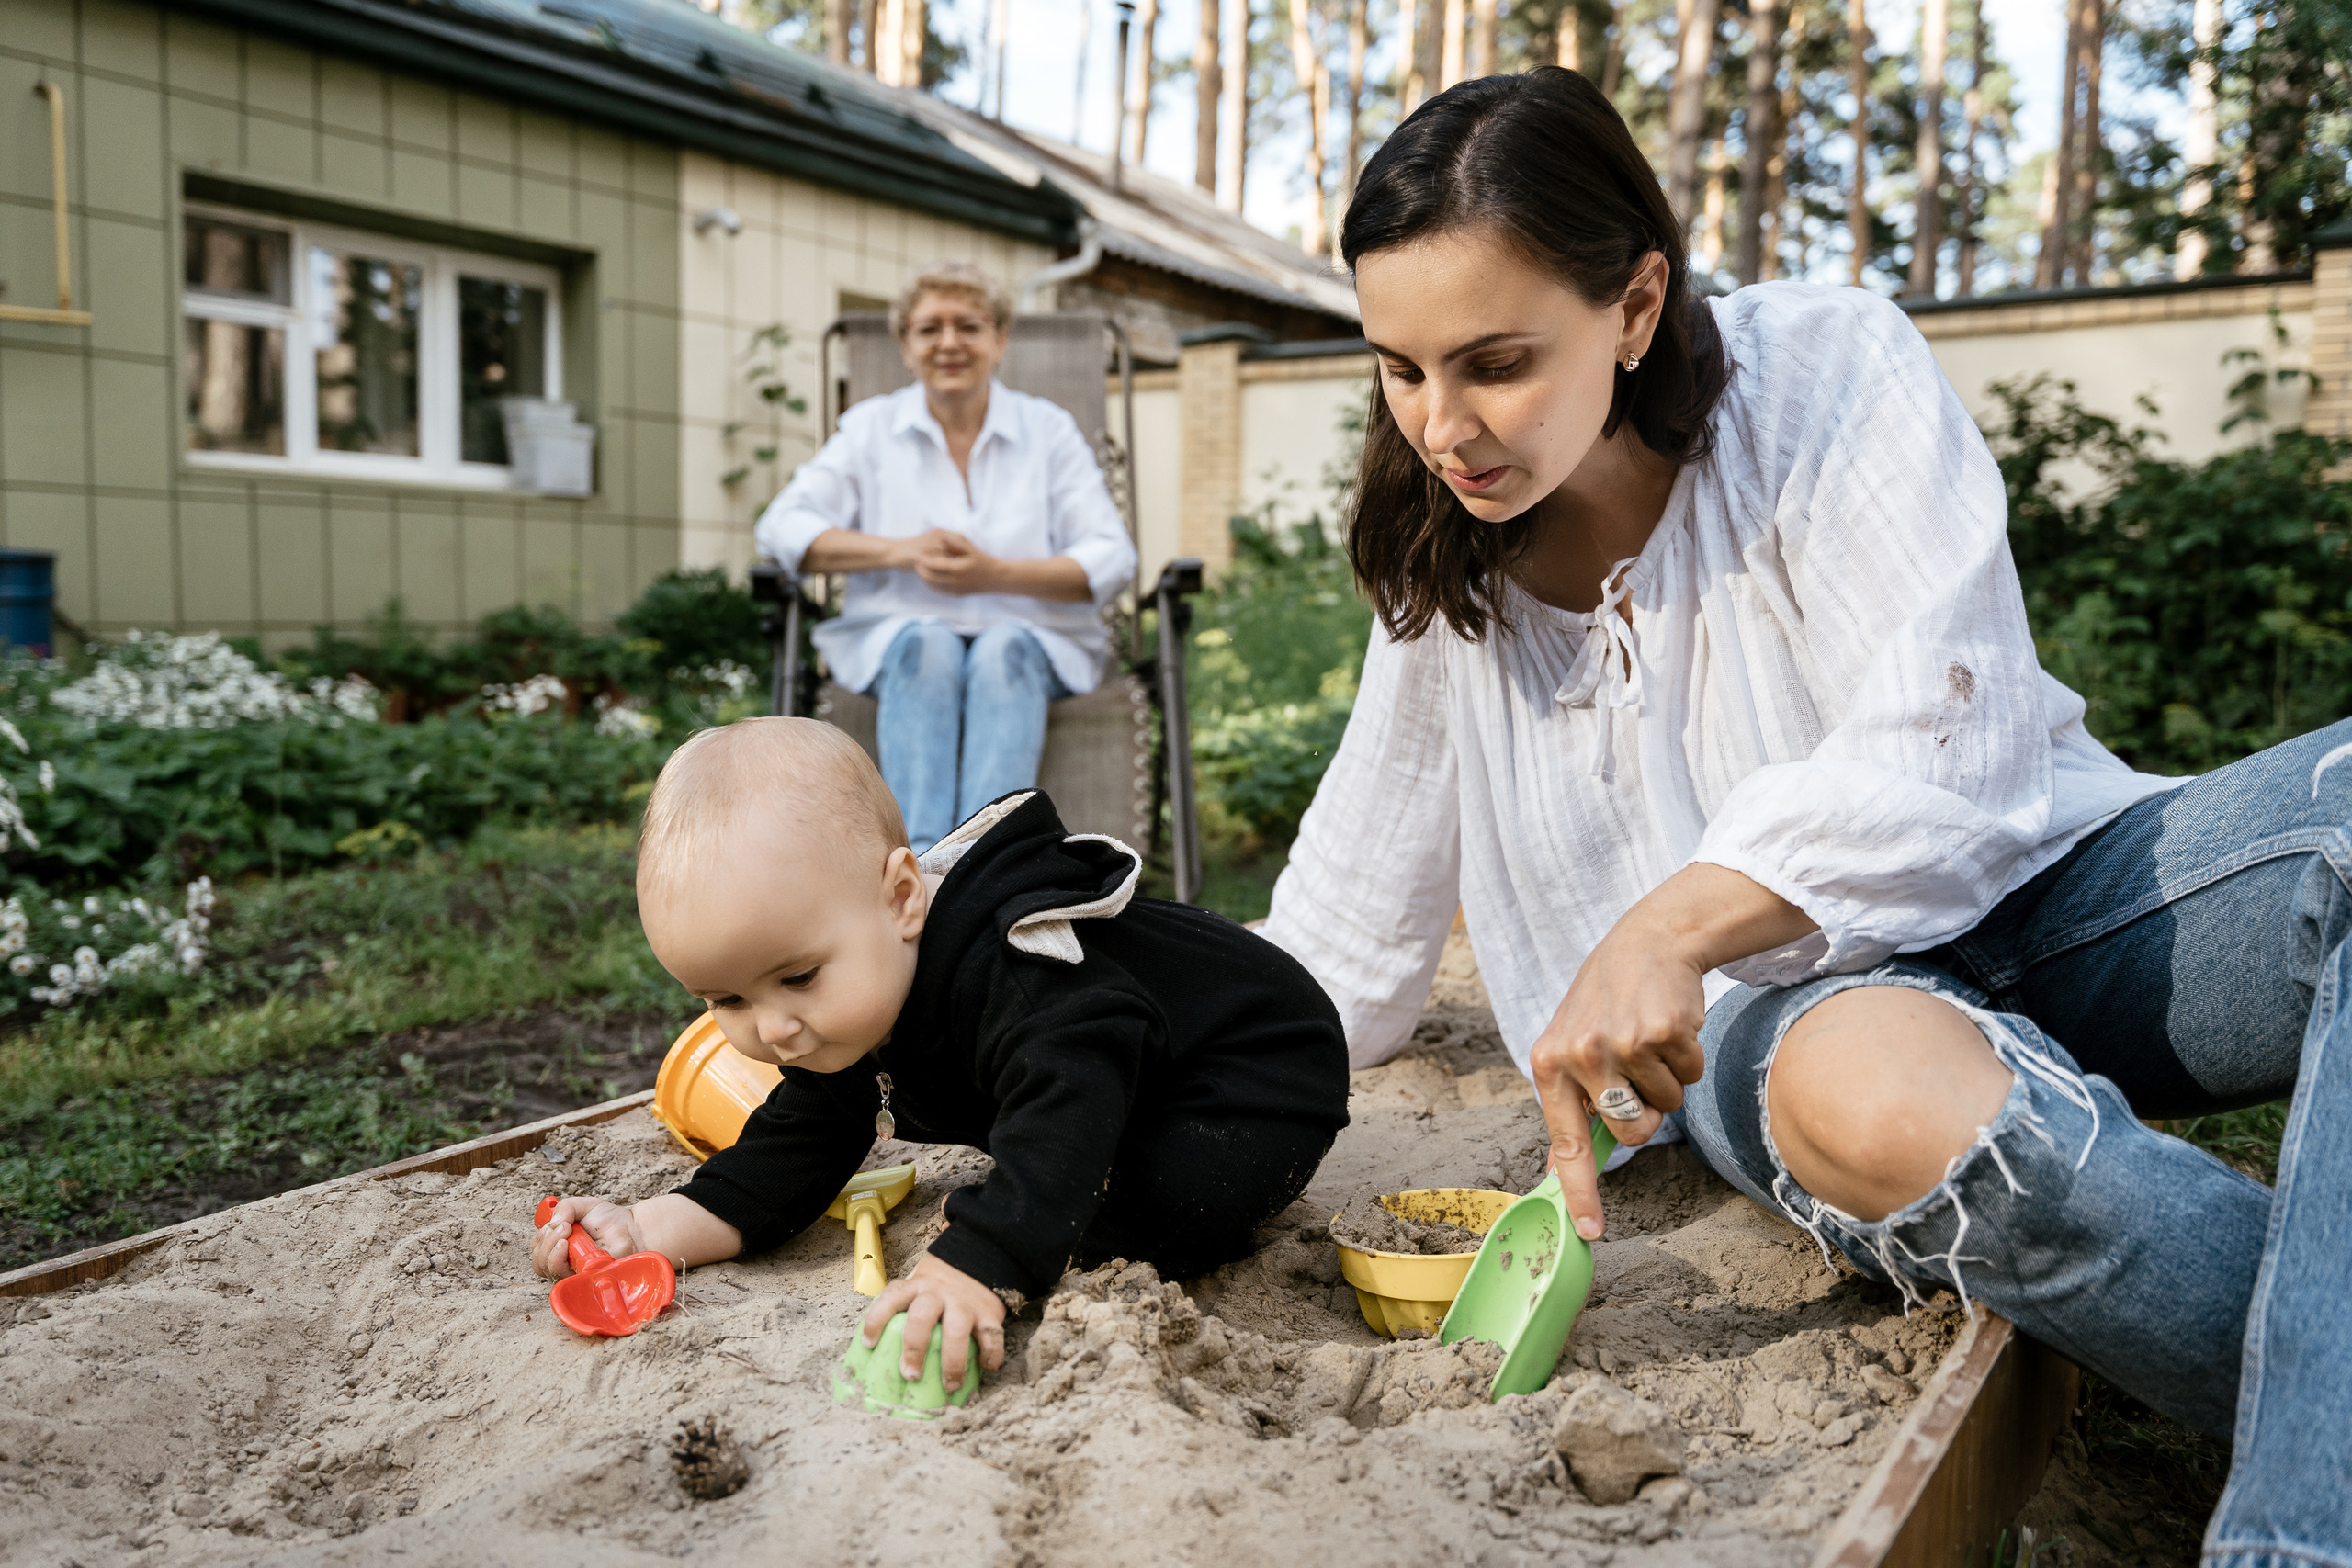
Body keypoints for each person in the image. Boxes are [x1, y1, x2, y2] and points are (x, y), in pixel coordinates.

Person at [1261, 66, 2349, 1562]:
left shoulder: (1825, 370)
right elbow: (1343, 933)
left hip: (2041, 882)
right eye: (1397, 368)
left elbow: (1952, 741)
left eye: (1494, 361)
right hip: (1753, 1014)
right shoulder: (1443, 573)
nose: (1441, 423)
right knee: (1890, 1107)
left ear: (1635, 306)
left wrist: (1668, 911)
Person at [534, 718, 1349, 1394]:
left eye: (797, 977)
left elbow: (1073, 1092)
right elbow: (799, 1145)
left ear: (901, 898)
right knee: (1049, 1170)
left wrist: (977, 1263)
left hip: (1250, 1075)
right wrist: (649, 1225)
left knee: (1139, 1200)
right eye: (729, 1001)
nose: (774, 1028)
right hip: (1130, 1072)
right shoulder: (847, 1002)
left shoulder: (1016, 976)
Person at [753, 261, 1137, 853]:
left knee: (1002, 649)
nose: (949, 343)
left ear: (999, 341)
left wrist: (998, 574)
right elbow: (782, 528)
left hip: (1034, 638)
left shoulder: (1048, 430)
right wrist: (898, 551)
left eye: (969, 326)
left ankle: (981, 865)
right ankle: (929, 865)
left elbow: (1111, 556)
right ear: (905, 347)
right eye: (930, 329)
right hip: (898, 638)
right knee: (926, 643)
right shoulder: (869, 429)